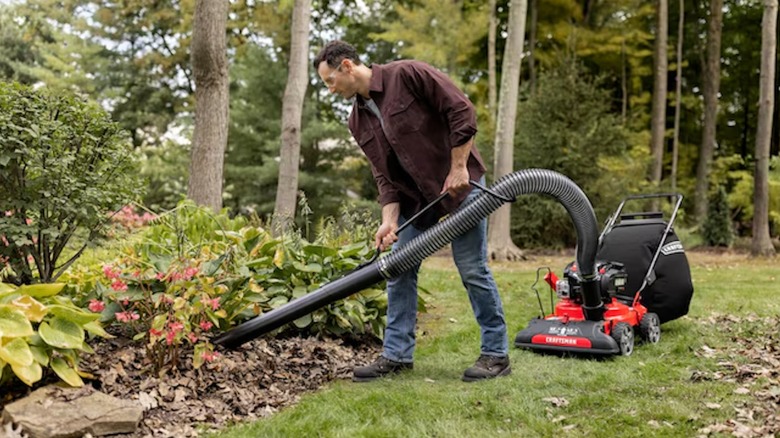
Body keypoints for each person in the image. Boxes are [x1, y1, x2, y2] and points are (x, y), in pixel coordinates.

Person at [313, 41, 509, 382]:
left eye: (330, 80)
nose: (330, 89)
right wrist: (389, 221)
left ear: (346, 66)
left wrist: (459, 167)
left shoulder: (408, 74)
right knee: (398, 269)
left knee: (472, 268)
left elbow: (461, 110)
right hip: (419, 203)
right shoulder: (356, 121)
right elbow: (383, 176)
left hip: (463, 187)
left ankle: (496, 354)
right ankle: (397, 356)